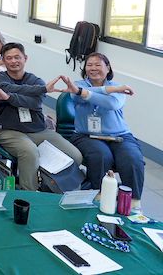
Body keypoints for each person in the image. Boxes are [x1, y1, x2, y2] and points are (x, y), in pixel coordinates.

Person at [0, 43, 83, 192]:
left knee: (75, 155)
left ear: (25, 58)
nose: (13, 61)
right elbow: (7, 88)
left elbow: (35, 103)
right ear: (3, 61)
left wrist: (9, 98)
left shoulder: (35, 80)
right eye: (9, 58)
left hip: (38, 130)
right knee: (30, 152)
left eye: (17, 57)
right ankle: (30, 195)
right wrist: (41, 90)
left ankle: (58, 190)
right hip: (8, 130)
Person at [64, 53, 144, 208]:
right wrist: (111, 90)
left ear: (108, 68)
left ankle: (133, 202)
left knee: (133, 159)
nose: (93, 68)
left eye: (98, 65)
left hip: (120, 135)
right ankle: (98, 196)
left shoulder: (118, 86)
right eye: (89, 65)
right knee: (101, 155)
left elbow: (112, 104)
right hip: (87, 135)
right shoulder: (77, 85)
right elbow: (77, 96)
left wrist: (87, 93)